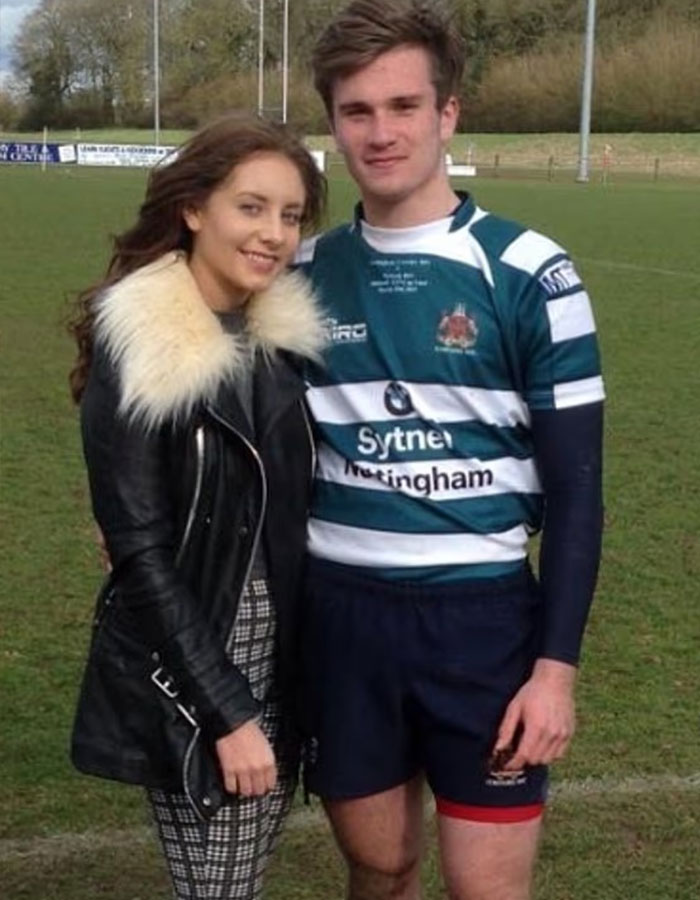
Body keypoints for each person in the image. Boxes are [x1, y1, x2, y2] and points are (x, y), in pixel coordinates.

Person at [297, 2, 605, 898]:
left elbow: (579, 495)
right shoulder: (299, 276)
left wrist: (555, 673)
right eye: (357, 111)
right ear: (334, 122)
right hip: (343, 618)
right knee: (381, 867)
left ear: (447, 114)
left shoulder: (532, 274)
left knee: (486, 889)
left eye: (403, 106)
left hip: (483, 625)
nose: (381, 133)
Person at [68, 114, 326, 900]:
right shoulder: (145, 343)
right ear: (192, 209)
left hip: (284, 666)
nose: (273, 234)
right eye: (250, 207)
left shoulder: (276, 340)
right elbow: (141, 555)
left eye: (289, 215)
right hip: (200, 676)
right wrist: (228, 714)